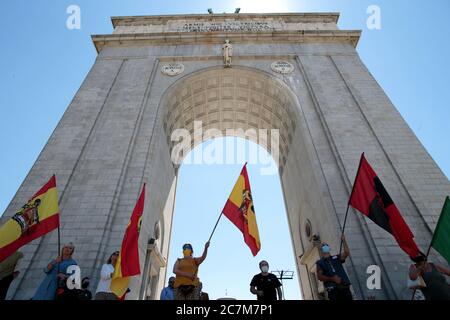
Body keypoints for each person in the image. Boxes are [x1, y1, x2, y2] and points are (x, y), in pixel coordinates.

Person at [316, 235, 352, 301]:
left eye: (326, 245)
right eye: (323, 246)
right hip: (333, 290)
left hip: (344, 287)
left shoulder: (336, 258)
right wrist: (332, 279)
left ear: (329, 248)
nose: (325, 247)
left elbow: (346, 253)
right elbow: (319, 277)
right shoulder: (320, 262)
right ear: (321, 250)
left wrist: (343, 240)